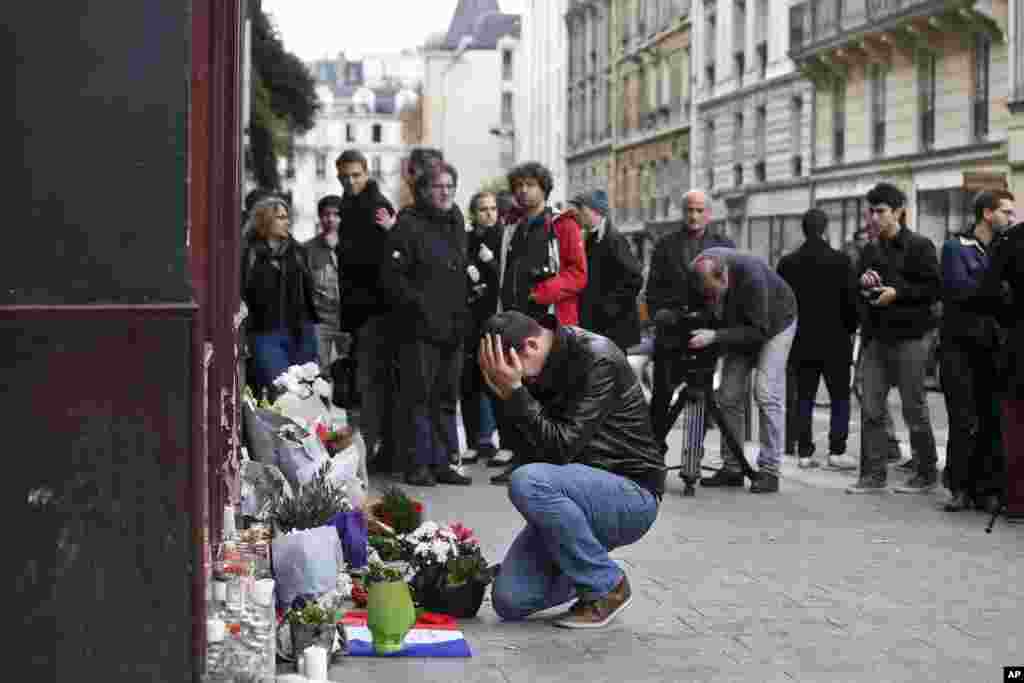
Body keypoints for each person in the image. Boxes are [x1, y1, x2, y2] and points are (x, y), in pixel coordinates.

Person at [479, 311, 663, 628]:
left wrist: (516, 393)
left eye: (511, 368)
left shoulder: (597, 358)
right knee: (510, 600)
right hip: (576, 493)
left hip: (631, 493)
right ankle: (582, 564)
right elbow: (528, 450)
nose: (519, 380)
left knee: (527, 481)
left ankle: (607, 586)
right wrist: (508, 396)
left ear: (532, 345)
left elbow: (559, 448)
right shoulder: (536, 366)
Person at [491, 161, 588, 484]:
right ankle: (521, 456)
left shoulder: (563, 225)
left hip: (549, 322)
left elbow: (578, 274)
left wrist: (542, 293)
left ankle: (543, 461)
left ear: (543, 188)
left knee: (549, 395)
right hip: (517, 322)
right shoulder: (513, 226)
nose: (523, 190)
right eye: (518, 185)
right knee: (518, 392)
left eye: (530, 184)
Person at [381, 161, 473, 487]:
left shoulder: (456, 220)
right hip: (419, 330)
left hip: (454, 327)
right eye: (439, 186)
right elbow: (393, 279)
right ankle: (418, 464)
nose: (446, 191)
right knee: (418, 397)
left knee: (446, 398)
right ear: (423, 190)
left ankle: (444, 462)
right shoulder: (407, 224)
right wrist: (419, 308)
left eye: (450, 185)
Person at [847, 182, 941, 495]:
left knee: (914, 408)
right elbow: (858, 294)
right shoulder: (870, 250)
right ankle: (873, 476)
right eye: (871, 211)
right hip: (877, 338)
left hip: (911, 337)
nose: (874, 217)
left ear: (898, 212)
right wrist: (864, 284)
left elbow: (933, 290)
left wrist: (897, 293)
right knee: (871, 407)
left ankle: (926, 473)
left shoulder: (920, 246)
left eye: (881, 211)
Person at [689, 248, 798, 493]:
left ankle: (770, 471)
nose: (711, 300)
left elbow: (759, 330)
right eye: (706, 295)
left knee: (766, 393)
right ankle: (733, 467)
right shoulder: (697, 270)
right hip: (739, 325)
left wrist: (715, 335)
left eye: (714, 294)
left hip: (775, 323)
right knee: (728, 395)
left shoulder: (752, 275)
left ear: (725, 277)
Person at [940, 190, 1015, 512]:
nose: (1010, 219)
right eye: (1006, 212)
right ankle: (959, 487)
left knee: (991, 418)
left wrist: (992, 292)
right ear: (987, 213)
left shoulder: (1005, 249)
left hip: (993, 345)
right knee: (962, 418)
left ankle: (986, 488)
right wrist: (996, 292)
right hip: (959, 345)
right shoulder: (956, 246)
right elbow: (959, 290)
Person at [645, 189, 734, 443]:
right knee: (662, 394)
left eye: (699, 210)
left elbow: (731, 290)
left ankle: (694, 456)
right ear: (682, 212)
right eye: (689, 210)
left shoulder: (724, 246)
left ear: (709, 214)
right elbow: (652, 290)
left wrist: (720, 327)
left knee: (701, 397)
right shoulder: (665, 245)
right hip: (671, 330)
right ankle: (653, 453)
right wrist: (658, 316)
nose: (693, 216)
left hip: (705, 332)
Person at [776, 208, 860, 470]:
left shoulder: (788, 263)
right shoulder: (842, 261)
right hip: (836, 340)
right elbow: (851, 304)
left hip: (802, 341)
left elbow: (783, 305)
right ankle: (836, 451)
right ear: (826, 229)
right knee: (839, 397)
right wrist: (849, 328)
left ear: (803, 230)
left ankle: (804, 452)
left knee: (804, 397)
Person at [336, 149, 399, 473]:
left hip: (377, 309)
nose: (350, 181)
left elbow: (388, 255)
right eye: (345, 176)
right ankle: (365, 448)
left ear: (366, 173)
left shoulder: (376, 206)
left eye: (356, 175)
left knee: (370, 385)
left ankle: (372, 450)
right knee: (359, 385)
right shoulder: (346, 207)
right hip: (357, 310)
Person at [969, 218, 1024, 521]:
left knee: (1015, 423)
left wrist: (1010, 314)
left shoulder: (1012, 239)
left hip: (1018, 342)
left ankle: (1017, 500)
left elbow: (986, 294)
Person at [240, 196, 320, 397]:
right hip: (265, 334)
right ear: (265, 221)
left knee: (306, 394)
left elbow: (309, 290)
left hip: (301, 333)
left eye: (287, 217)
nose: (287, 222)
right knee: (282, 392)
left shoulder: (298, 251)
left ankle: (305, 429)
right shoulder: (249, 253)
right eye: (281, 217)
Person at [573, 190, 645, 354]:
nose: (578, 214)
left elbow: (635, 279)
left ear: (596, 211)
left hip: (612, 328)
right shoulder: (593, 237)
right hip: (600, 326)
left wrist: (609, 308)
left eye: (581, 209)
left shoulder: (613, 239)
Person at [461, 190, 503, 465]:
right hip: (468, 319)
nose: (489, 213)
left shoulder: (503, 238)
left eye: (493, 208)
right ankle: (475, 441)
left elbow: (507, 277)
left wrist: (490, 262)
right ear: (473, 213)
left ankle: (490, 438)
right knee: (469, 381)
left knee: (492, 379)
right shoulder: (465, 240)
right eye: (483, 209)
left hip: (494, 318)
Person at [302, 195, 347, 373]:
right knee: (318, 370)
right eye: (326, 215)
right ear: (320, 218)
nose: (330, 219)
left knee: (350, 367)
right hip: (320, 319)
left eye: (336, 214)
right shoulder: (307, 249)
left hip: (347, 317)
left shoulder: (353, 245)